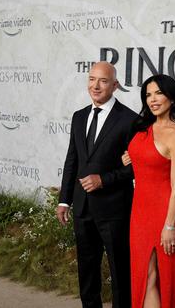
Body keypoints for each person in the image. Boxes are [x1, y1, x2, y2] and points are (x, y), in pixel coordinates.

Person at [57, 61, 138, 308]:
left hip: (115, 209)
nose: (96, 85)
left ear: (115, 85)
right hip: (82, 208)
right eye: (92, 79)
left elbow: (136, 167)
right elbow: (73, 160)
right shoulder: (79, 117)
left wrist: (103, 179)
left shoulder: (130, 119)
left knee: (120, 272)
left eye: (103, 81)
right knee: (87, 271)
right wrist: (64, 199)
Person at [121, 74, 175, 308]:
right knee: (143, 276)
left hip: (165, 214)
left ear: (172, 98)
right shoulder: (145, 126)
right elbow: (145, 157)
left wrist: (169, 226)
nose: (152, 99)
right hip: (140, 213)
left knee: (158, 277)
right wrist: (131, 158)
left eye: (158, 93)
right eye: (148, 95)